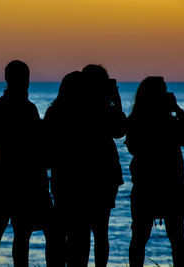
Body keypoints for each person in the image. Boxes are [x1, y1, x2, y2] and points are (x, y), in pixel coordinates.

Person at [44, 65, 126, 266]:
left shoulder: (56, 111)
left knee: (74, 233)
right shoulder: (99, 110)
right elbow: (120, 130)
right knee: (98, 232)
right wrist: (115, 101)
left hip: (67, 179)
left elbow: (47, 149)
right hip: (101, 178)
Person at [0, 60, 53, 267]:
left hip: (1, 174)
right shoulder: (27, 108)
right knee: (21, 231)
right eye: (25, 79)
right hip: (23, 177)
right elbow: (33, 142)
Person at [125, 77, 184, 267]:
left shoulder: (136, 120)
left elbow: (132, 147)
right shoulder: (169, 120)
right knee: (176, 237)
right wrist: (176, 109)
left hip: (146, 184)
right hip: (170, 184)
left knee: (140, 236)